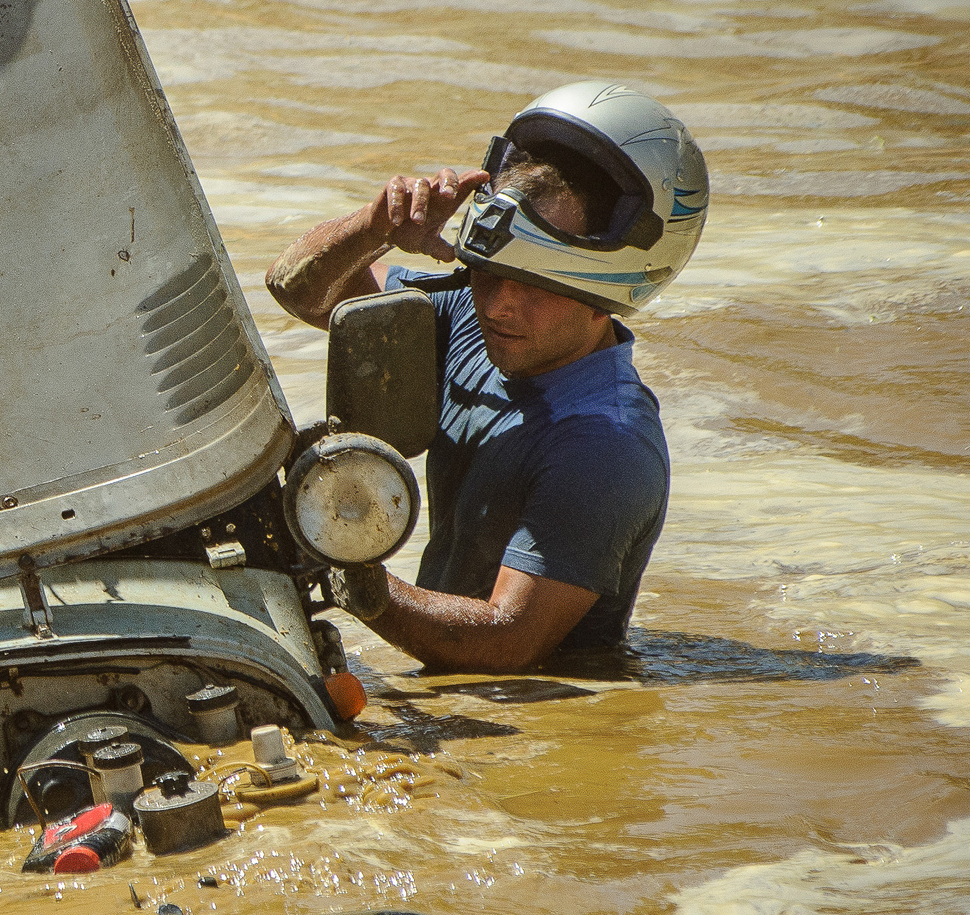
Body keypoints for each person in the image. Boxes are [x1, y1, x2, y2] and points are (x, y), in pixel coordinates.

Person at [264, 82, 710, 673]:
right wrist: (375, 227)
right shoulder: (468, 320)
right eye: (487, 272)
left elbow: (506, 642)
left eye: (534, 287)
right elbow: (296, 288)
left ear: (607, 296)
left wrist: (346, 566)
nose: (497, 305)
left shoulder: (605, 445)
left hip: (539, 712)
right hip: (449, 676)